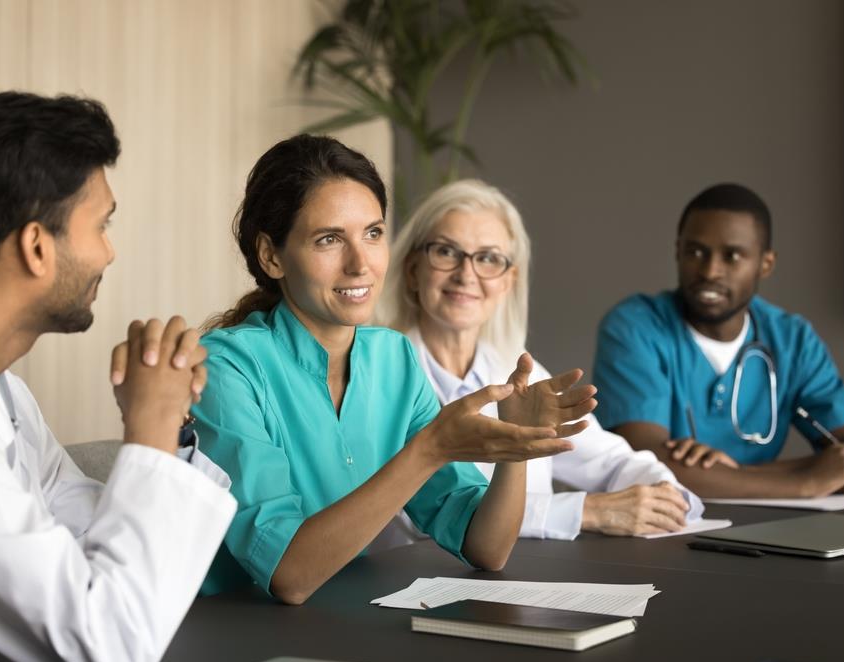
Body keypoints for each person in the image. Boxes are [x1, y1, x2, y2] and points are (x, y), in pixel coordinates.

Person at [0, 92, 237, 662]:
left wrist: (166, 427)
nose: (109, 252)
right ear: (37, 247)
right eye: (102, 225)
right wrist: (148, 426)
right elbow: (107, 644)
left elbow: (87, 537)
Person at [192, 135, 597, 604]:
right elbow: (289, 574)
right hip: (233, 630)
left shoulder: (393, 359)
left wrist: (517, 449)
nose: (360, 264)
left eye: (373, 233)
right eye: (329, 239)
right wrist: (429, 450)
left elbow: (486, 547)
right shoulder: (224, 368)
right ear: (272, 256)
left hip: (345, 622)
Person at [371, 179, 701, 545]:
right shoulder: (375, 373)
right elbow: (416, 515)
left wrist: (667, 495)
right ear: (414, 268)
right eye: (447, 252)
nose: (467, 274)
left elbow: (608, 459)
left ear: (509, 281)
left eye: (487, 258)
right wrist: (587, 510)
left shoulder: (515, 371)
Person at [593, 183, 844, 498]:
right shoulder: (636, 327)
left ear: (765, 264)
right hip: (661, 531)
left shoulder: (792, 339)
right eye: (695, 251)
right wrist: (806, 481)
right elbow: (647, 466)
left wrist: (740, 474)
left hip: (768, 530)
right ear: (677, 251)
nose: (710, 270)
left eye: (732, 256)